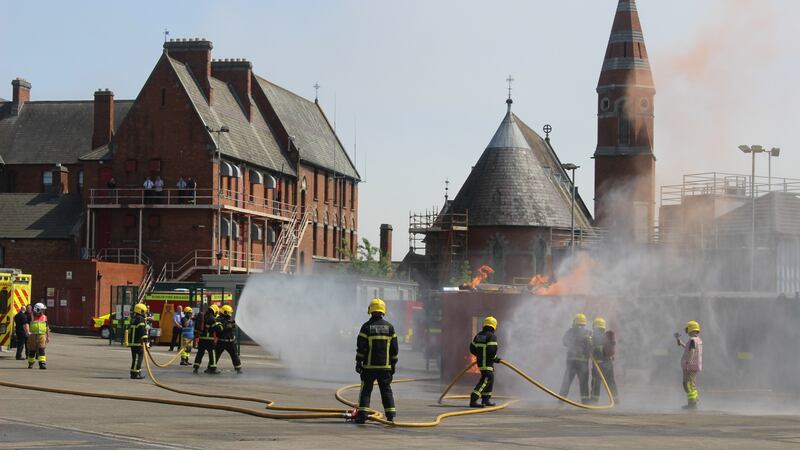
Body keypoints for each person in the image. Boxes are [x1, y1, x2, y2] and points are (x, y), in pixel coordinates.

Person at [354, 298, 399, 424]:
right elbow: (394, 349)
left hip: (369, 367)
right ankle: (390, 416)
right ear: (383, 311)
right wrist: (393, 365)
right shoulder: (390, 328)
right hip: (385, 368)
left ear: (370, 310)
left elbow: (361, 347)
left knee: (366, 391)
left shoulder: (366, 327)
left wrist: (358, 362)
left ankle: (362, 415)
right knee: (386, 391)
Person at [559, 313, 592, 404]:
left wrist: (572, 343)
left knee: (566, 381)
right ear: (584, 322)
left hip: (571, 362)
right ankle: (585, 402)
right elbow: (591, 347)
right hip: (583, 363)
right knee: (584, 383)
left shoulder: (570, 332)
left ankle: (561, 400)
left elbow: (564, 342)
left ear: (575, 322)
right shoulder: (588, 333)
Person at [469, 316, 501, 408]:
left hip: (481, 362)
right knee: (486, 379)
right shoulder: (492, 336)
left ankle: (486, 399)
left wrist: (479, 355)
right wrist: (495, 358)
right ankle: (474, 399)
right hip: (487, 363)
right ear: (494, 326)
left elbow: (472, 348)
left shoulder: (479, 335)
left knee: (490, 379)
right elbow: (491, 350)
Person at [590, 317, 618, 404]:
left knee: (596, 383)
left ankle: (594, 401)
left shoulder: (594, 338)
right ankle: (616, 400)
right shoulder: (607, 337)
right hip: (609, 364)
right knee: (611, 382)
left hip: (599, 366)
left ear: (595, 327)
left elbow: (589, 349)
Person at [675, 320, 703, 409]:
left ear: (690, 329)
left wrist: (688, 362)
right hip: (694, 365)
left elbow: (692, 351)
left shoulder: (692, 340)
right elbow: (688, 348)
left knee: (688, 384)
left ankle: (692, 403)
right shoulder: (697, 340)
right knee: (690, 383)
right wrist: (679, 341)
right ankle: (694, 400)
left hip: (690, 366)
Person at [194, 304, 222, 374]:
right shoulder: (212, 318)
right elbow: (217, 329)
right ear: (215, 311)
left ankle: (196, 367)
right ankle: (213, 368)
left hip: (201, 339)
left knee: (200, 353)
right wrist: (220, 325)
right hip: (209, 340)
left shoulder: (204, 316)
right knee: (212, 353)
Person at [215, 305, 242, 373]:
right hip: (222, 341)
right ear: (225, 312)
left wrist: (233, 325)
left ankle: (238, 369)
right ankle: (211, 367)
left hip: (231, 342)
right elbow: (219, 329)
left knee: (235, 356)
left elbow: (232, 329)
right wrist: (228, 326)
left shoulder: (229, 320)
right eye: (229, 313)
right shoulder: (218, 319)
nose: (230, 315)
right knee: (216, 356)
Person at [24, 303, 50, 369]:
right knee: (32, 350)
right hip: (32, 335)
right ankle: (31, 363)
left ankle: (42, 363)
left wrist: (48, 336)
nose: (43, 311)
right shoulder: (30, 316)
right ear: (37, 309)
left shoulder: (44, 317)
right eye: (42, 310)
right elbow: (26, 324)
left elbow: (47, 327)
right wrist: (27, 332)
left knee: (42, 349)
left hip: (42, 336)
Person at [129, 303, 148, 379]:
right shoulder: (140, 319)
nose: (145, 313)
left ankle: (136, 372)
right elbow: (142, 330)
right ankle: (135, 374)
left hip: (134, 342)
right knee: (137, 359)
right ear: (140, 311)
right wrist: (145, 340)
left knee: (136, 359)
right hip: (138, 342)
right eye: (144, 311)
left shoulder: (134, 318)